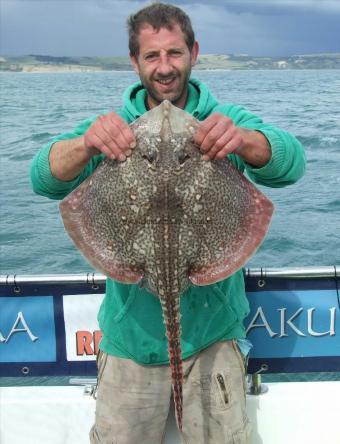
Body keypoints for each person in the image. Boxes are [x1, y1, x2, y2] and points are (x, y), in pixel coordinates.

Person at [30, 3, 305, 443]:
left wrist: (246, 141)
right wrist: (85, 144)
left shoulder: (223, 120)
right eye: (152, 55)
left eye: (174, 53)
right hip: (130, 347)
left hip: (214, 340)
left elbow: (291, 164)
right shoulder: (113, 129)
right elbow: (42, 178)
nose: (164, 67)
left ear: (194, 52)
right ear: (135, 61)